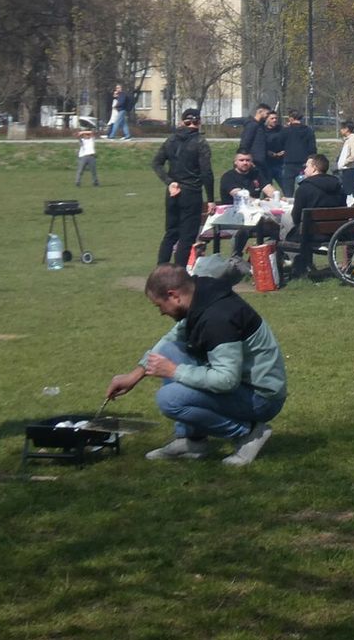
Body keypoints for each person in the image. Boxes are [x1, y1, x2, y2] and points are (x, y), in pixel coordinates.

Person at [103, 263, 285, 466]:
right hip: (243, 386)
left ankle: (248, 433)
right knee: (170, 349)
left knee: (169, 399)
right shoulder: (199, 293)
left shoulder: (218, 320)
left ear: (174, 295)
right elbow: (171, 339)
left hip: (262, 398)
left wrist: (175, 371)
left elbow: (227, 380)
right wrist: (136, 374)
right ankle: (192, 440)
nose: (161, 312)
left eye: (159, 305)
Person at [152, 107, 214, 267]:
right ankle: (179, 273)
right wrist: (211, 199)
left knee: (171, 233)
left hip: (173, 191)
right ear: (199, 122)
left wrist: (169, 181)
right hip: (191, 192)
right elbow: (206, 173)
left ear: (182, 122)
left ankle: (161, 269)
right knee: (187, 236)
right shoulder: (200, 142)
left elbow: (156, 163)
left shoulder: (171, 140)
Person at [286, 154, 346, 279]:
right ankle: (306, 265)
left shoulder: (304, 188)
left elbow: (296, 217)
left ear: (314, 168)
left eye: (307, 166)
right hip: (335, 233)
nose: (304, 169)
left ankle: (298, 267)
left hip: (312, 235)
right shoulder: (338, 186)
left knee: (284, 229)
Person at [218, 150, 274, 256]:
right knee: (245, 229)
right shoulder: (228, 177)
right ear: (235, 162)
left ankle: (262, 257)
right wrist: (259, 202)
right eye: (241, 160)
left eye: (248, 160)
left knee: (277, 228)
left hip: (255, 216)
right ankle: (236, 257)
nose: (245, 163)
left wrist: (279, 198)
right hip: (233, 218)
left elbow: (269, 190)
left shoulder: (256, 174)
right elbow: (240, 195)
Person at [279, 112, 318, 197]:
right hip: (304, 164)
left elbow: (279, 144)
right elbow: (312, 148)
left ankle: (289, 202)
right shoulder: (308, 130)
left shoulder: (286, 131)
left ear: (291, 119)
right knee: (306, 187)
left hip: (289, 163)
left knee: (288, 191)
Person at [238, 103, 275, 177]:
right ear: (260, 111)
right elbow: (245, 143)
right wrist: (248, 160)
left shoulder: (261, 126)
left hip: (262, 162)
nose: (268, 116)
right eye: (267, 113)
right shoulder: (252, 125)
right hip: (254, 162)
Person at [335, 118, 354, 203]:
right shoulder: (348, 139)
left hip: (350, 169)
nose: (340, 130)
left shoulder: (352, 139)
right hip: (347, 169)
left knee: (350, 192)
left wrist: (344, 162)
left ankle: (352, 205)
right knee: (347, 190)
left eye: (342, 128)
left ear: (347, 129)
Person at [262, 109, 289, 193]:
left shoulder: (282, 130)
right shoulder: (262, 130)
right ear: (267, 119)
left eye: (276, 118)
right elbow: (259, 146)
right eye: (272, 118)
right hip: (267, 163)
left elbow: (288, 142)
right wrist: (269, 153)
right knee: (268, 189)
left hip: (280, 163)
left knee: (286, 187)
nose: (274, 120)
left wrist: (284, 151)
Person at [75, 119, 100, 187]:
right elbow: (77, 135)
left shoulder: (92, 140)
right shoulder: (82, 140)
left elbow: (92, 133)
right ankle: (77, 182)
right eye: (86, 135)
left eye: (88, 135)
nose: (87, 136)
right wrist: (81, 133)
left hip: (91, 156)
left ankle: (95, 182)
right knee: (80, 170)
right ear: (83, 135)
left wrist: (83, 132)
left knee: (93, 171)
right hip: (83, 157)